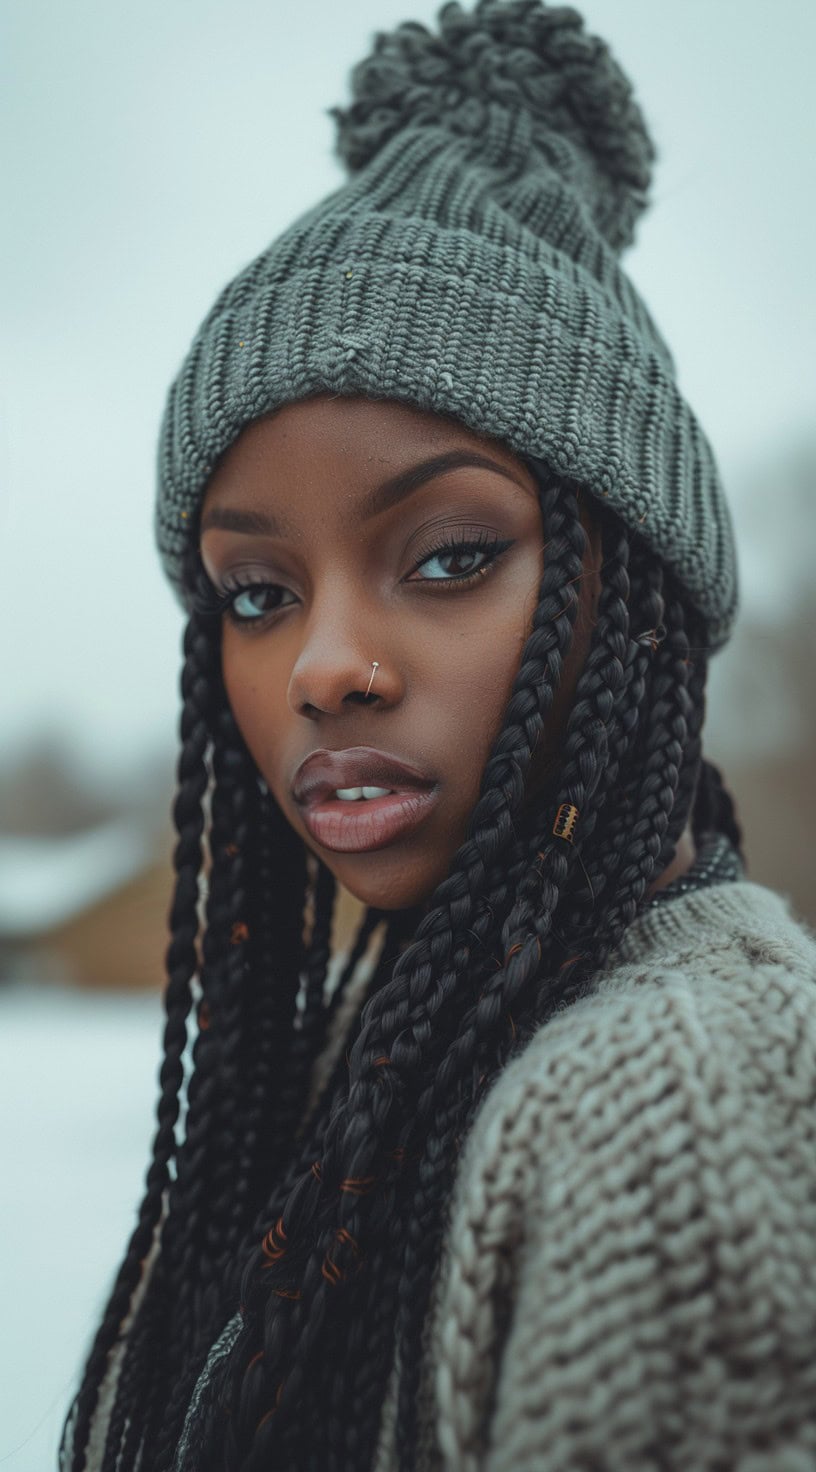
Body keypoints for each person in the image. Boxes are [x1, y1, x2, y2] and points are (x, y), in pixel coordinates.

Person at [61, 3, 816, 1469]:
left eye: (451, 555)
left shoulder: (683, 1105)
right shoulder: (379, 1041)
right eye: (259, 591)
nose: (321, 669)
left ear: (641, 599)